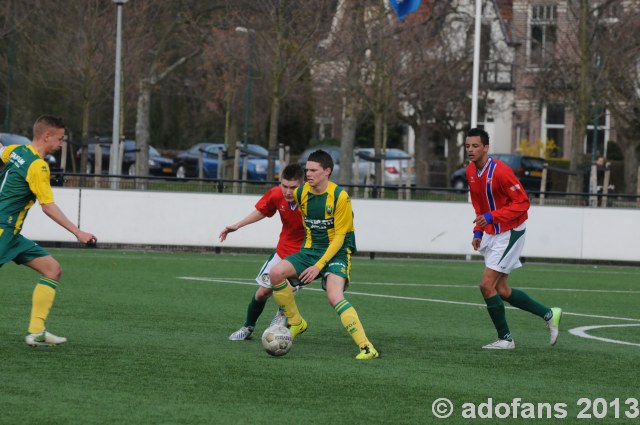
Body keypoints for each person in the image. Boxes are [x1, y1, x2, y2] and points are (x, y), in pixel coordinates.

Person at [269, 149, 379, 360]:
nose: (308, 174)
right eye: (307, 170)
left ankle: (367, 348)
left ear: (327, 171)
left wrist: (319, 266)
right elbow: (305, 223)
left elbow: (339, 237)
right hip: (311, 250)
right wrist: (307, 255)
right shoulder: (301, 193)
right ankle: (296, 323)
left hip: (337, 251)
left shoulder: (340, 197)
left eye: (313, 170)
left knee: (334, 295)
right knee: (275, 274)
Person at [0, 115, 97, 347]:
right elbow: (48, 207)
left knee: (52, 269)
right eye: (60, 138)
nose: (62, 143)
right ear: (47, 136)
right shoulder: (38, 166)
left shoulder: (16, 151)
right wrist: (78, 232)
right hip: (3, 230)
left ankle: (36, 331)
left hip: (11, 235)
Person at [465, 128, 562, 350]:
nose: (470, 150)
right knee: (502, 290)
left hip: (510, 232)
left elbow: (523, 203)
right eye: (468, 146)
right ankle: (549, 314)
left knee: (486, 285)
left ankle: (506, 339)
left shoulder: (500, 171)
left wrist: (491, 217)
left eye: (475, 146)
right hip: (493, 232)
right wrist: (478, 232)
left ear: (486, 148)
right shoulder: (471, 171)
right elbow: (479, 203)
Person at [220, 163, 305, 341]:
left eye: (293, 187)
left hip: (305, 255)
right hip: (283, 251)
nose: (288, 192)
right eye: (285, 186)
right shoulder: (276, 194)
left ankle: (282, 316)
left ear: (303, 184)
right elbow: (262, 211)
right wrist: (237, 225)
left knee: (286, 289)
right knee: (262, 293)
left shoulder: (312, 200)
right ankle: (248, 327)